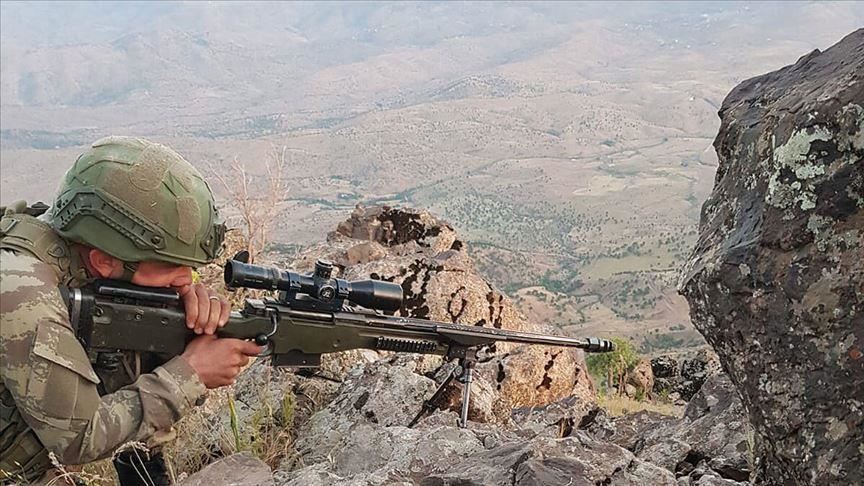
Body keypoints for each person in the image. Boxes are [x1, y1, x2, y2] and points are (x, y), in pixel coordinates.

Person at [0, 136, 263, 484]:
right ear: (105, 261)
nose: (188, 280)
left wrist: (170, 335)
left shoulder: (70, 252)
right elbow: (79, 438)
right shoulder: (22, 292)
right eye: (172, 268)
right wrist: (189, 375)